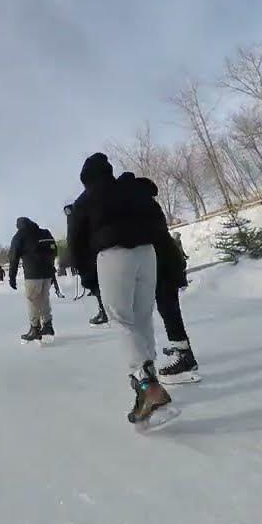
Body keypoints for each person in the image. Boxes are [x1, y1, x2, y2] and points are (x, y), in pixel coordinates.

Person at [68, 152, 176, 428]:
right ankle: (151, 385)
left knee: (121, 318)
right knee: (142, 318)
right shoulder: (130, 189)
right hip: (146, 253)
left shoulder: (85, 201)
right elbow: (156, 218)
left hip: (114, 255)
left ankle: (148, 387)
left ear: (86, 179)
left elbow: (76, 245)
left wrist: (89, 278)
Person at [127, 175, 199, 382]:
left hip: (164, 265)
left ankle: (185, 357)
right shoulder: (149, 205)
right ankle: (180, 348)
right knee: (168, 309)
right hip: (167, 262)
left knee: (169, 310)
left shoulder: (142, 208)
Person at [8, 217, 58, 344]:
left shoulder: (20, 236)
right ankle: (48, 326)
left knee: (33, 301)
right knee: (44, 299)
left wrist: (12, 277)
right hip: (47, 274)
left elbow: (13, 258)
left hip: (33, 275)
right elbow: (54, 250)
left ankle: (34, 328)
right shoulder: (45, 232)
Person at [64, 203, 109, 325]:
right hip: (96, 256)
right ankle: (107, 310)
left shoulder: (74, 222)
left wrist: (74, 260)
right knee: (100, 284)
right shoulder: (87, 219)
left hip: (87, 259)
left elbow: (73, 242)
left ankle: (105, 312)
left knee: (96, 285)